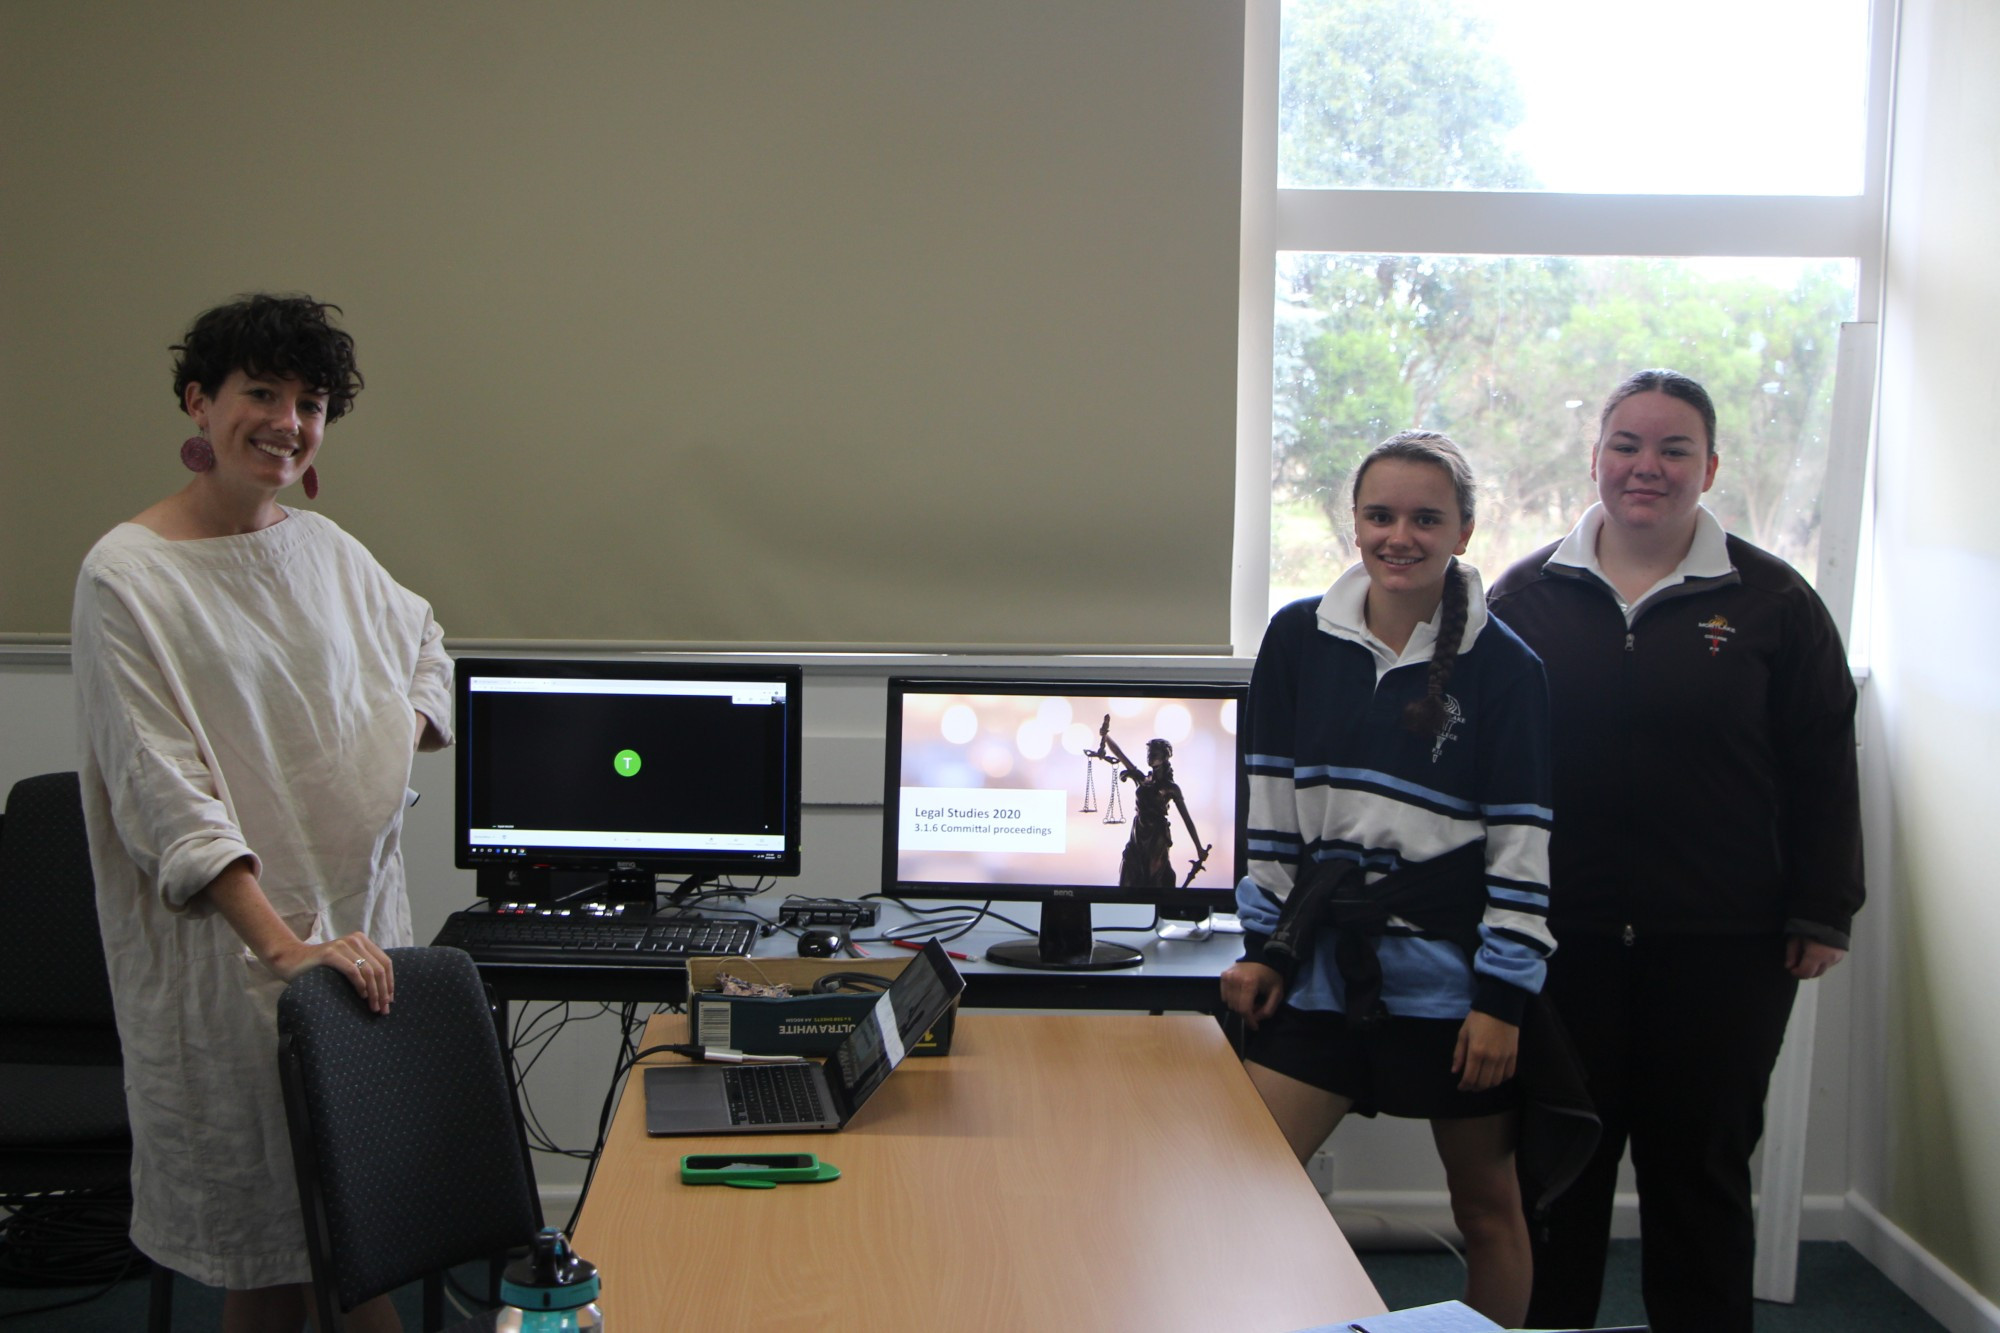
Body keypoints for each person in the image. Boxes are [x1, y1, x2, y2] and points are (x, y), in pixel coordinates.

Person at [72, 295, 449, 1332]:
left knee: (358, 1238)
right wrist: (285, 949)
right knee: (273, 1258)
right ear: (200, 400)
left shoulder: (325, 550)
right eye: (262, 394)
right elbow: (167, 796)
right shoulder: (128, 575)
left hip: (355, 943)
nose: (287, 421)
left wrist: (390, 740)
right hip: (232, 963)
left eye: (312, 402)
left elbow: (425, 642)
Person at [1486, 368, 1864, 1333]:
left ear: (1709, 465)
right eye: (1627, 445)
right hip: (1556, 940)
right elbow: (1480, 767)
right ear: (1597, 456)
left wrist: (1824, 908)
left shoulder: (1775, 601)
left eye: (1672, 448)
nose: (1645, 467)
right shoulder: (1522, 596)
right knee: (1558, 1171)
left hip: (1725, 944)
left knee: (1698, 1176)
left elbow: (1822, 760)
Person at [1222, 431, 1554, 1326]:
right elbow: (1269, 811)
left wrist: (1503, 999)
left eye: (1424, 517)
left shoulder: (1509, 668)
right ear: (1355, 521)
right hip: (1323, 965)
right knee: (1247, 1187)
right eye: (1379, 515)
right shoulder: (1298, 637)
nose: (1398, 535)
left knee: (1488, 1208)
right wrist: (1269, 949)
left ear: (1464, 529)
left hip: (1453, 985)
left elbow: (1523, 844)